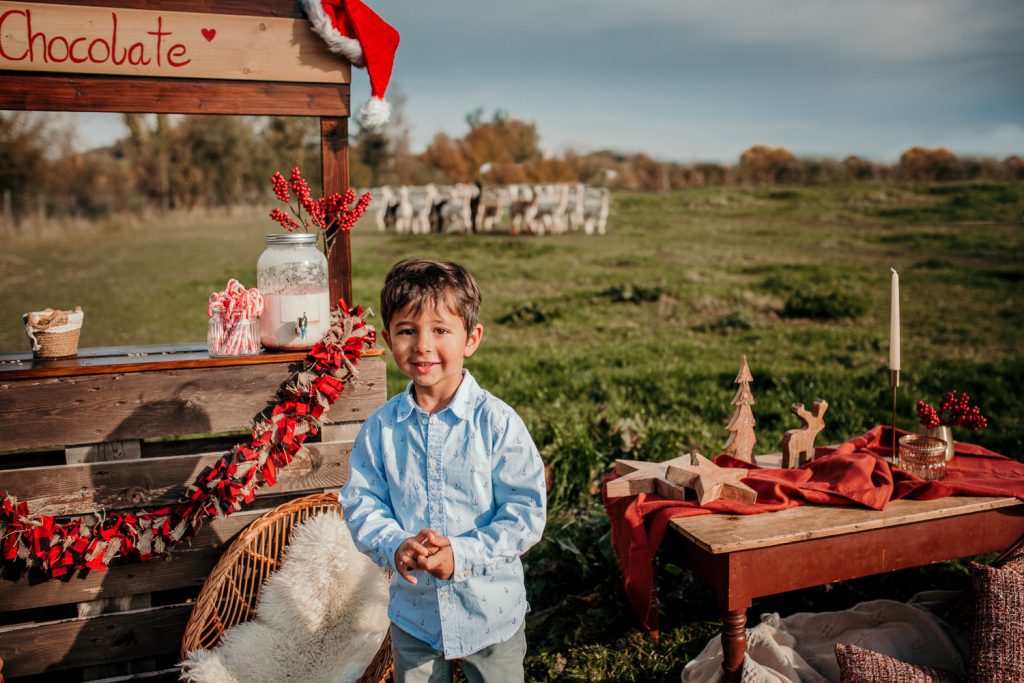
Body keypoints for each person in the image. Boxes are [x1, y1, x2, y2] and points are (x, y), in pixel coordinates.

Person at [341, 258, 547, 683]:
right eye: (407, 330)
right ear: (387, 338)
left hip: (491, 613)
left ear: (471, 338)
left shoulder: (497, 423)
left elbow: (525, 512)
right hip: (415, 617)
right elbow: (362, 502)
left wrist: (461, 555)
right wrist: (395, 543)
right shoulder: (380, 429)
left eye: (440, 330)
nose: (422, 345)